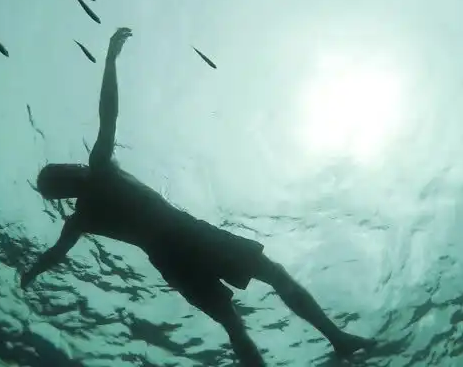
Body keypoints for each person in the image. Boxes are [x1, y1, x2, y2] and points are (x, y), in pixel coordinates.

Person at [19, 27, 373, 366]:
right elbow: (108, 113)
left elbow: (55, 253)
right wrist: (110, 59)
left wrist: (31, 272)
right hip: (188, 236)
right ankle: (337, 338)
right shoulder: (98, 170)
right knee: (267, 282)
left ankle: (338, 339)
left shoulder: (82, 215)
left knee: (234, 320)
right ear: (67, 175)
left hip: (171, 258)